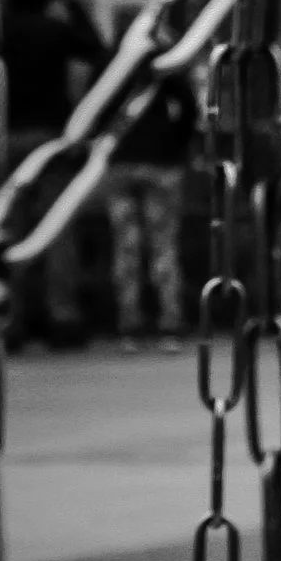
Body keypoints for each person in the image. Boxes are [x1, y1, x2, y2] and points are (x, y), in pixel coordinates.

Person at [3, 0, 109, 347]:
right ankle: (61, 312)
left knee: (9, 228)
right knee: (58, 227)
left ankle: (8, 314)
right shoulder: (55, 30)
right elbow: (99, 52)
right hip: (50, 133)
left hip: (7, 134)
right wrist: (73, 9)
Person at [105, 66, 194, 349]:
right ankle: (170, 323)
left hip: (121, 160)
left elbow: (94, 110)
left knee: (126, 246)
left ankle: (128, 325)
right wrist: (174, 143)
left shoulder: (113, 63)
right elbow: (189, 110)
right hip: (161, 162)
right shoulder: (167, 65)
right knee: (163, 244)